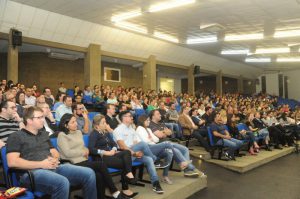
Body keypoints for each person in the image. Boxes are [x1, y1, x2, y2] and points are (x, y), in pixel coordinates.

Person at [6, 107, 97, 199]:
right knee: (62, 182)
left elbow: (54, 152)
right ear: (29, 120)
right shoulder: (16, 136)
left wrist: (54, 159)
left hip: (53, 167)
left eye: (43, 117)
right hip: (31, 174)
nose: (43, 120)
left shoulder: (43, 134)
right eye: (39, 118)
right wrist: (41, 164)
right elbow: (12, 162)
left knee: (89, 173)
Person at [57, 113, 131, 199]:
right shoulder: (62, 135)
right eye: (72, 122)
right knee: (101, 164)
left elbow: (82, 147)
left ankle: (101, 196)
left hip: (84, 160)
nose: (76, 124)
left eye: (75, 121)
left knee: (99, 175)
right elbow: (67, 153)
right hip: (72, 164)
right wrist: (83, 151)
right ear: (66, 125)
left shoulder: (78, 132)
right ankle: (114, 191)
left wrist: (85, 149)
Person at [113, 111, 169, 194]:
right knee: (143, 144)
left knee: (149, 159)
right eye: (129, 116)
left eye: (132, 116)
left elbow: (136, 142)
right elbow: (122, 146)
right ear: (123, 118)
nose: (132, 117)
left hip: (134, 154)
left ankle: (155, 183)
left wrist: (138, 151)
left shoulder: (131, 129)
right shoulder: (118, 130)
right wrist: (135, 153)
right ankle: (156, 160)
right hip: (125, 155)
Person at [136, 115, 202, 182]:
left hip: (155, 145)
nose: (148, 121)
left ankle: (165, 175)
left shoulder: (149, 129)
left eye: (149, 120)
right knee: (168, 143)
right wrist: (156, 137)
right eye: (147, 120)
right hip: (148, 149)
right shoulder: (139, 128)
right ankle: (186, 165)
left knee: (169, 152)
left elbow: (156, 139)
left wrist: (152, 138)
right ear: (142, 121)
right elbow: (146, 141)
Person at [89, 114, 139, 198]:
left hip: (112, 154)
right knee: (126, 163)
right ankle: (125, 187)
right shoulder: (94, 134)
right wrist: (105, 152)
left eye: (105, 122)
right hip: (102, 157)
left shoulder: (106, 132)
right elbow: (91, 149)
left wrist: (114, 150)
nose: (106, 124)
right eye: (103, 122)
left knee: (126, 152)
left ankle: (129, 173)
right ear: (97, 125)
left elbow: (114, 143)